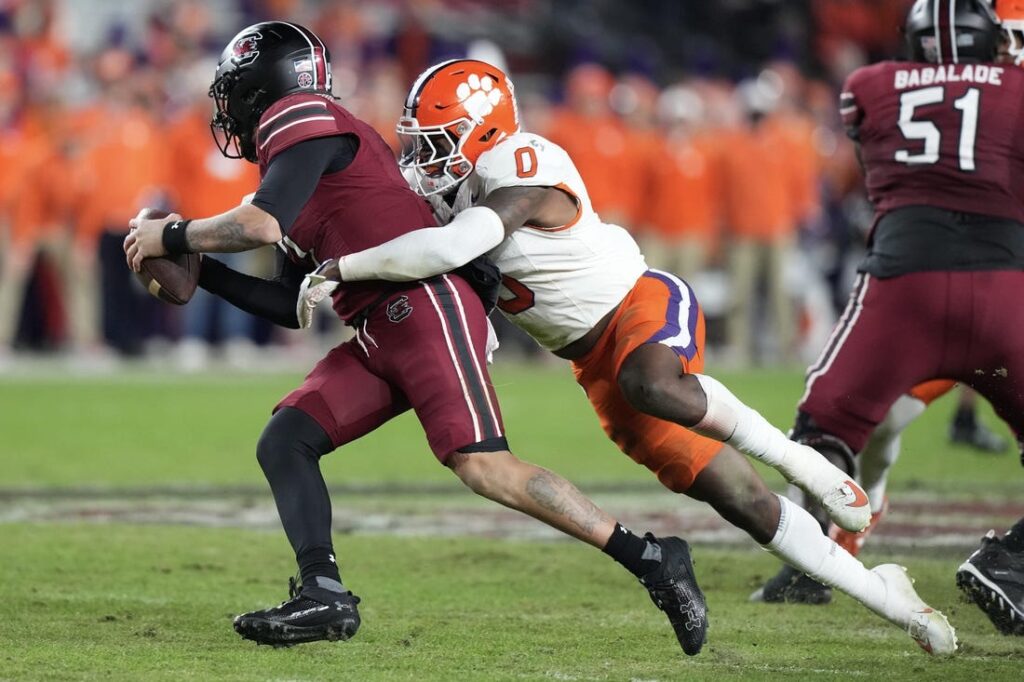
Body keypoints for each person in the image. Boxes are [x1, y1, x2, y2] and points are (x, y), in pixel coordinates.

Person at [301, 58, 958, 655]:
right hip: (595, 370)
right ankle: (887, 596)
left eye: (435, 142)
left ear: (482, 130)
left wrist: (344, 267)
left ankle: (803, 461)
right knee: (742, 502)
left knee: (655, 383)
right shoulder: (451, 196)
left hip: (639, 304)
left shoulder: (521, 160)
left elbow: (455, 249)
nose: (423, 158)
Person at [123, 22, 707, 653]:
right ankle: (323, 593)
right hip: (378, 325)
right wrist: (203, 271)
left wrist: (174, 236)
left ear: (269, 85)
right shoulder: (294, 162)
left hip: (426, 304)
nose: (228, 106)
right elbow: (293, 303)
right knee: (285, 439)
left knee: (485, 467)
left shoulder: (304, 113)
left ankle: (651, 558)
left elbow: (259, 226)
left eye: (235, 90)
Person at [751, 0, 1024, 636]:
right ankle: (1009, 561)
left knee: (825, 430)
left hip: (904, 285)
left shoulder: (869, 86)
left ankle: (808, 563)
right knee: (874, 429)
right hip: (1003, 285)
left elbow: (876, 154)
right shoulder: (1015, 87)